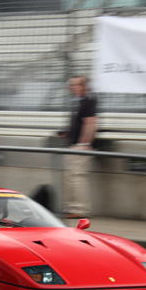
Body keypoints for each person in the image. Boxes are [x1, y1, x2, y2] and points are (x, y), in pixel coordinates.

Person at [62, 75, 97, 219]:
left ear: (83, 86)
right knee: (70, 176)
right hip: (75, 144)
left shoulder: (88, 102)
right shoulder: (78, 102)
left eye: (75, 85)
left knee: (78, 177)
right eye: (71, 85)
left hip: (81, 146)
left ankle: (80, 209)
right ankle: (72, 207)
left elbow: (91, 123)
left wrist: (85, 143)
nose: (72, 88)